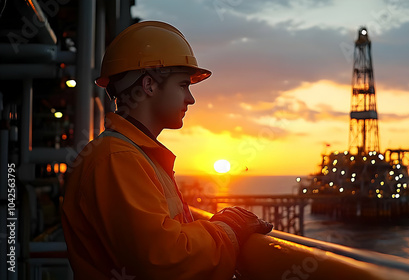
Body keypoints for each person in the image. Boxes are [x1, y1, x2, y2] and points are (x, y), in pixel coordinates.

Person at [61, 21, 273, 280]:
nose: (191, 98)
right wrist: (228, 229)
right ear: (149, 85)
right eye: (183, 85)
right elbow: (164, 259)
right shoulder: (117, 159)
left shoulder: (134, 156)